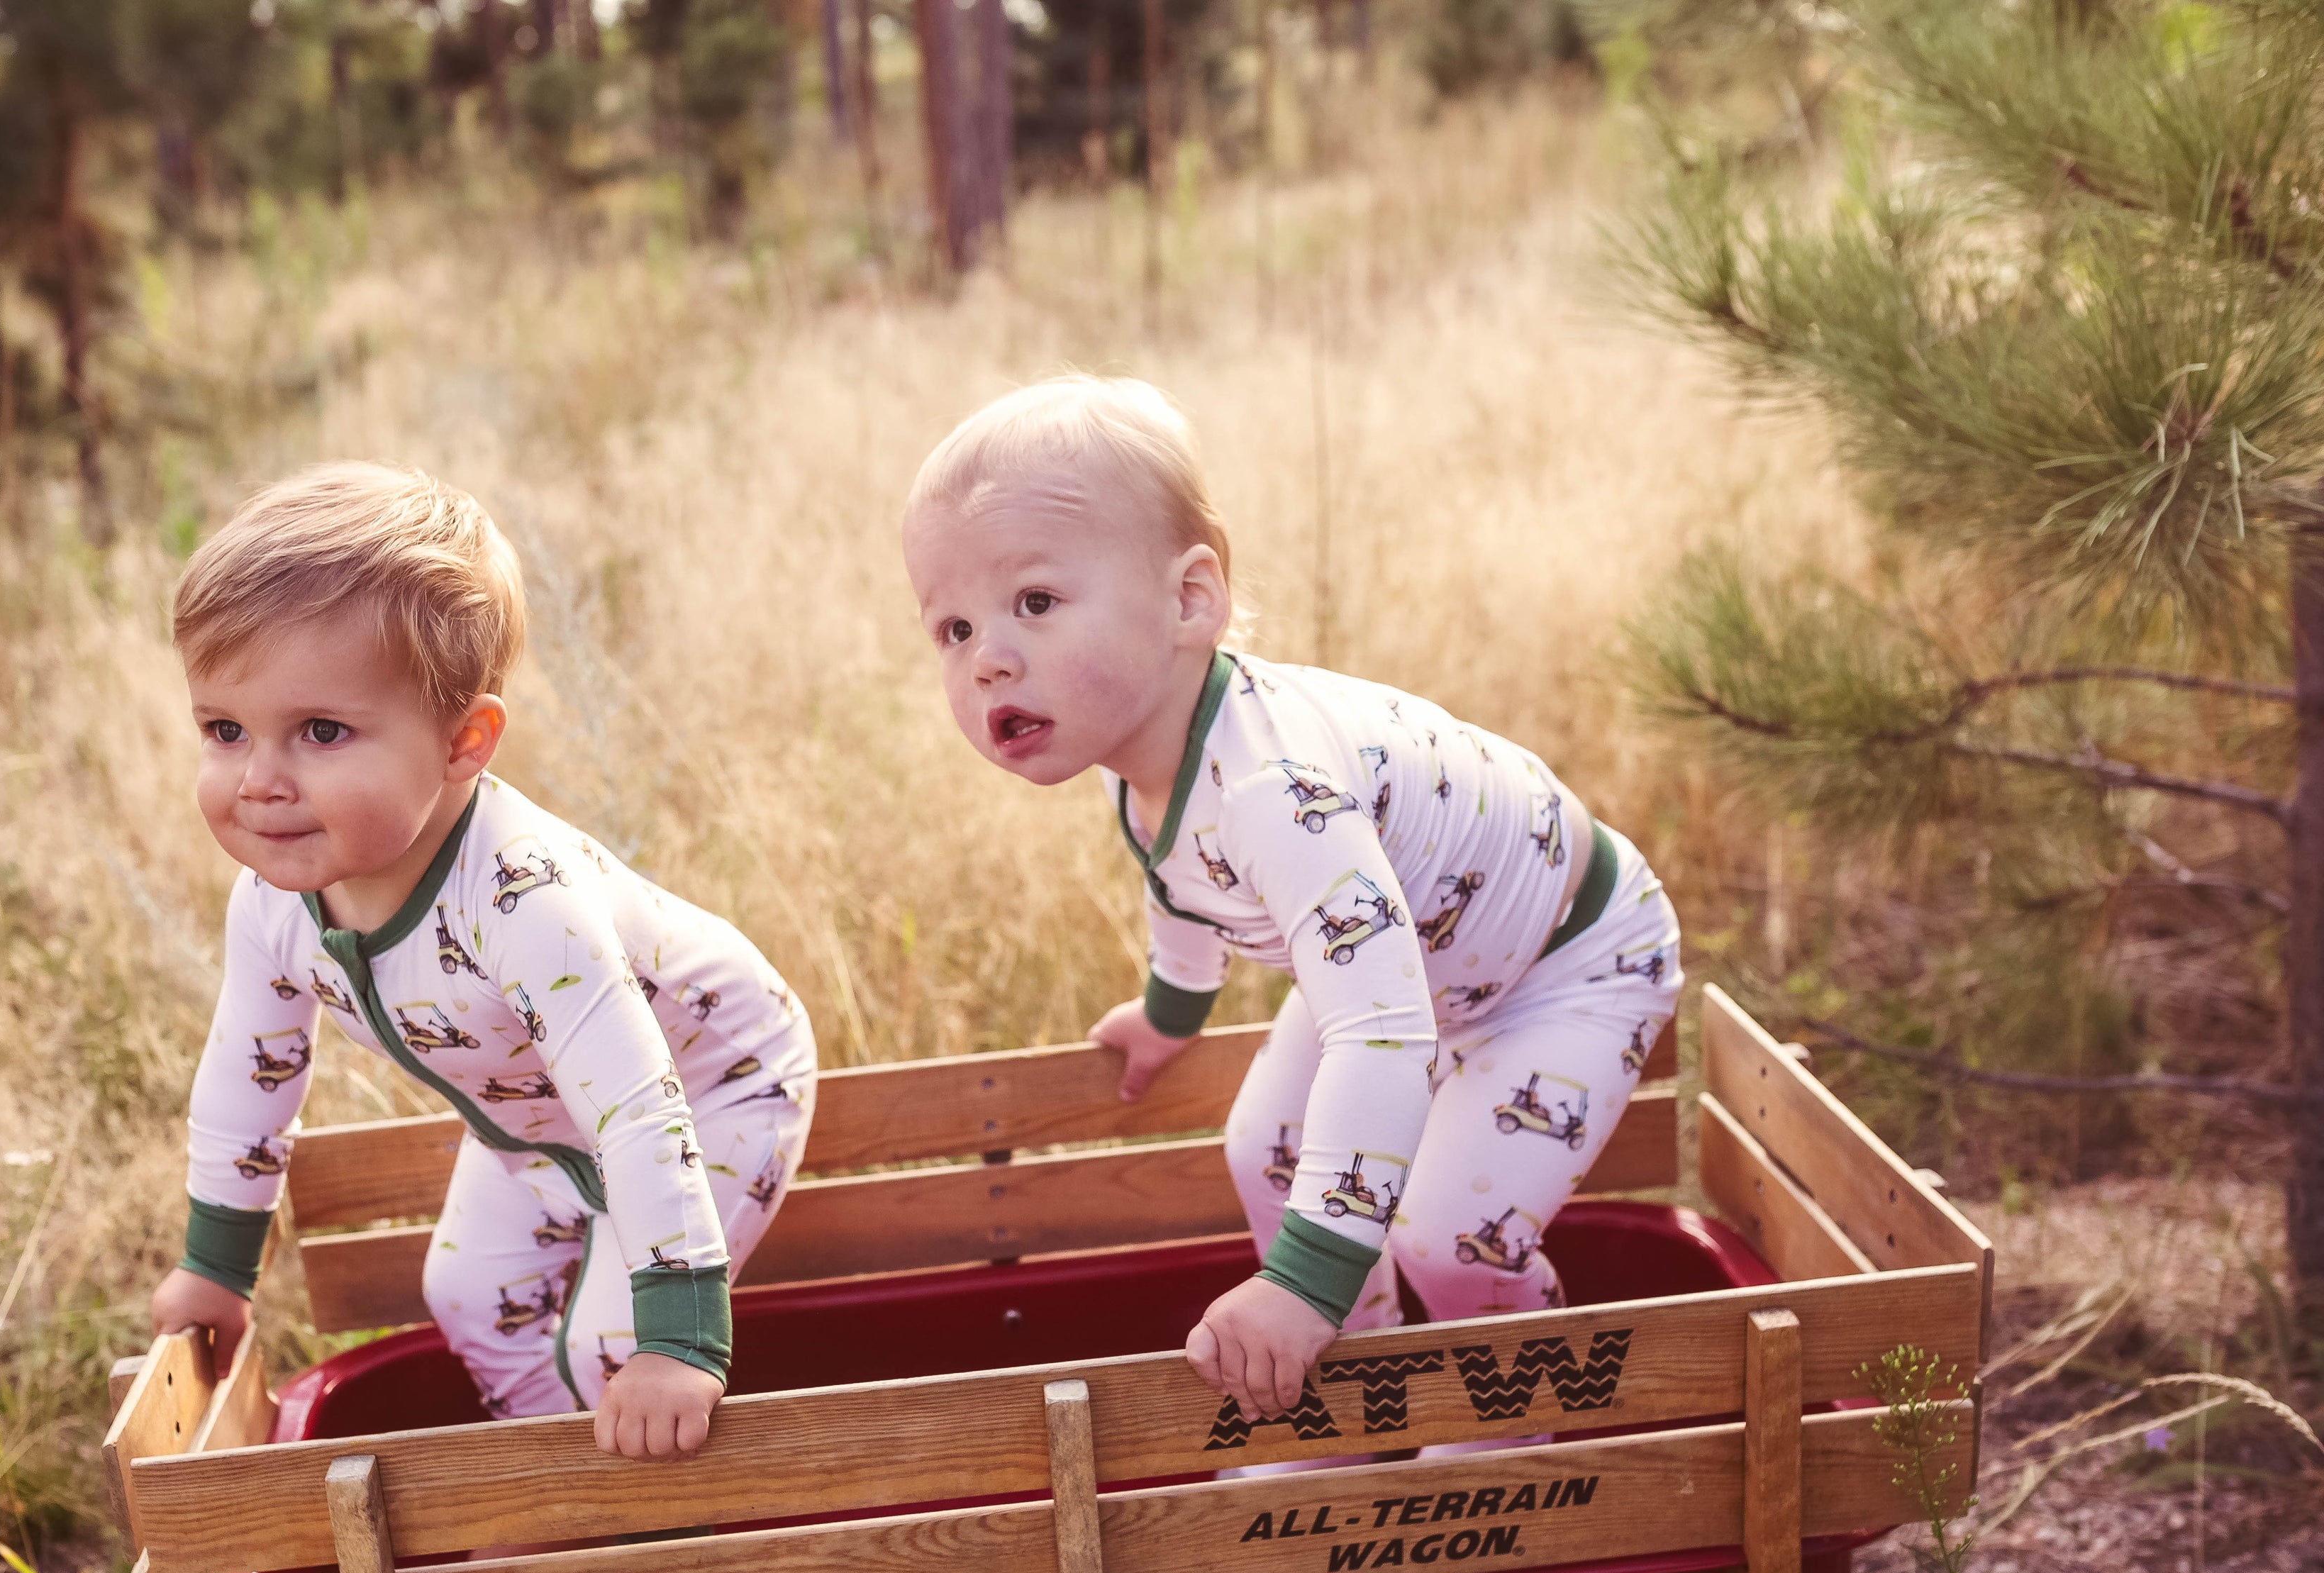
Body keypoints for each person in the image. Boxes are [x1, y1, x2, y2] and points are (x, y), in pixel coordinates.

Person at [901, 377, 1679, 1428]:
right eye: (952, 628)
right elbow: (1183, 877)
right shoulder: (1138, 754)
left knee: (1450, 1238)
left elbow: (1381, 1029)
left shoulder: (1278, 792)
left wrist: (1298, 1280)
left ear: (1190, 601)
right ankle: (1362, 1398)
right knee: (1259, 1148)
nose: (988, 657)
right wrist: (1172, 1008)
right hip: (1407, 958)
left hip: (1562, 963)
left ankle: (1517, 1430)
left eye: (1034, 603)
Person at [148, 462, 816, 1462]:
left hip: (713, 1087)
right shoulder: (276, 904)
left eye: (321, 732)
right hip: (537, 1120)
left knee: (616, 1346)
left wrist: (678, 1339)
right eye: (225, 730)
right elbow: (250, 1074)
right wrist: (218, 1264)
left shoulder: (525, 903)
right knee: (463, 1295)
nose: (260, 781)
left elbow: (639, 1107)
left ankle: (652, 1528)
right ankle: (565, 1493)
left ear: (465, 742)